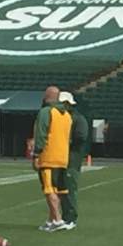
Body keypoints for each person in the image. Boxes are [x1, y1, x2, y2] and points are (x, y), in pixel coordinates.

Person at [31, 85, 73, 232]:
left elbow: (41, 134)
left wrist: (36, 154)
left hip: (49, 157)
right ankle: (51, 220)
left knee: (49, 190)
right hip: (63, 158)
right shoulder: (67, 115)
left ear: (47, 96)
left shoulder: (46, 112)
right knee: (58, 190)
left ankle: (57, 219)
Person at [57, 91, 90, 226]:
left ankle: (70, 218)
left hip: (71, 159)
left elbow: (81, 137)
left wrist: (65, 142)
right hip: (60, 158)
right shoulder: (62, 118)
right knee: (61, 190)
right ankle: (63, 217)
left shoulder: (78, 119)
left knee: (69, 189)